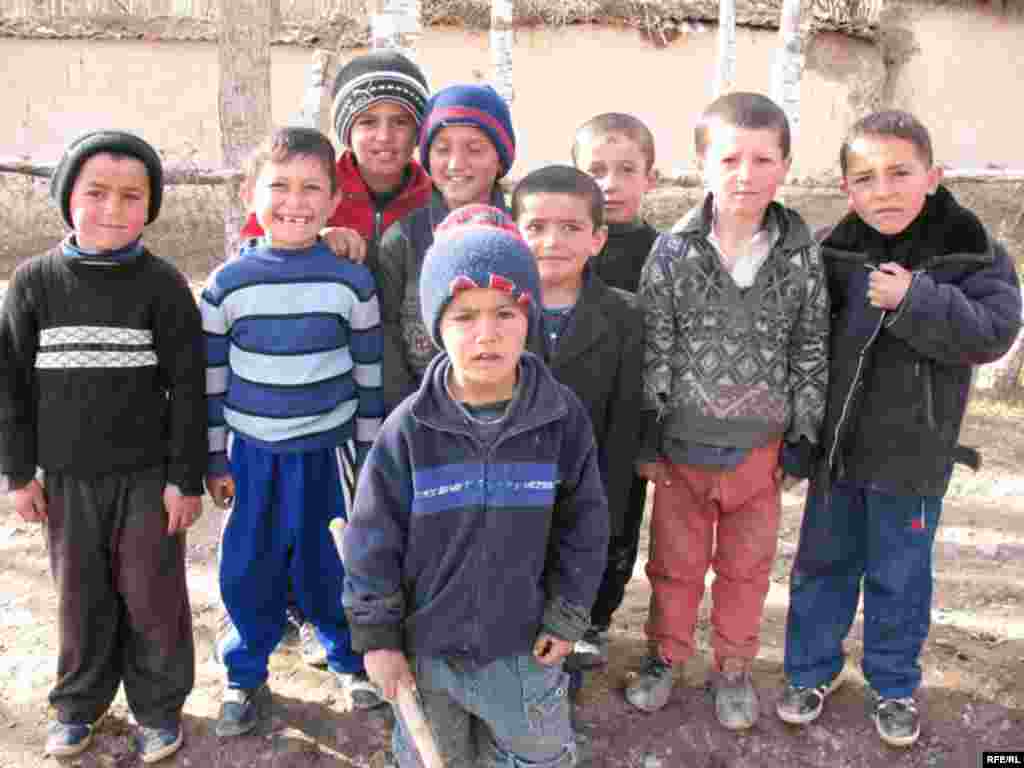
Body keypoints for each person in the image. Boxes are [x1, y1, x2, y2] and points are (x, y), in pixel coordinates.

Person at [777, 110, 1022, 748]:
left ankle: (893, 686)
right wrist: (798, 438)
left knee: (900, 576)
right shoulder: (830, 250)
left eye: (899, 173)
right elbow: (800, 348)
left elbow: (993, 333)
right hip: (837, 455)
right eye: (865, 178)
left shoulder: (973, 251)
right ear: (845, 189)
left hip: (914, 459)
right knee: (821, 568)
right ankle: (809, 672)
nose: (882, 190)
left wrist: (916, 301)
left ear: (933, 177)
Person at [342, 205, 609, 768]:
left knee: (535, 757)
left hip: (522, 653)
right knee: (430, 756)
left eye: (505, 312)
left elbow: (584, 528)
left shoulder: (561, 419)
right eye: (464, 316)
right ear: (435, 324)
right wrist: (380, 642)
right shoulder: (408, 432)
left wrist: (567, 616)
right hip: (426, 655)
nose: (487, 334)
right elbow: (371, 547)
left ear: (529, 317)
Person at [0, 130, 206, 763]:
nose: (113, 209)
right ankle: (78, 704)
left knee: (152, 595)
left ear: (151, 205)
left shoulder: (164, 286)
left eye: (131, 196)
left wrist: (185, 478)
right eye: (96, 193)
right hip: (65, 480)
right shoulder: (33, 283)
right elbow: (10, 387)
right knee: (80, 595)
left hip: (147, 478)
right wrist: (18, 474)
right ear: (67, 199)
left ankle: (158, 706)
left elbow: (188, 388)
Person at [627, 92, 829, 731]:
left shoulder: (801, 254)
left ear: (785, 166)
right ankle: (665, 657)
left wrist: (802, 435)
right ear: (702, 165)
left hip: (759, 455)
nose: (746, 174)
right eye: (730, 158)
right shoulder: (672, 252)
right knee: (675, 566)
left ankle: (734, 668)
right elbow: (656, 345)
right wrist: (650, 435)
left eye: (763, 159)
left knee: (745, 572)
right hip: (684, 449)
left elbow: (810, 348)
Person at [201, 127, 385, 736]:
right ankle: (244, 673)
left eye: (312, 188)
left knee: (328, 562)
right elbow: (213, 378)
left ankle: (347, 659)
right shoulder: (228, 284)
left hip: (327, 453)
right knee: (248, 565)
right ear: (252, 196)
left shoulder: (350, 280)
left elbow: (368, 372)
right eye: (278, 186)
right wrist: (215, 457)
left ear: (334, 202)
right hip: (254, 454)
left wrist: (367, 451)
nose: (294, 201)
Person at [512, 165, 644, 680]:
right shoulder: (500, 312)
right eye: (537, 227)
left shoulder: (624, 315)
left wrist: (610, 500)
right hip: (514, 476)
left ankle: (582, 630)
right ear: (515, 232)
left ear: (598, 238)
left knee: (583, 553)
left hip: (589, 477)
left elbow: (627, 415)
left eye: (570, 228)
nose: (552, 242)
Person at [568, 113, 660, 668]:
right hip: (564, 410)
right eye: (596, 169)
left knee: (618, 519)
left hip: (626, 419)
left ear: (652, 176)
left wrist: (652, 435)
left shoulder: (664, 253)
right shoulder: (562, 241)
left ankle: (597, 619)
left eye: (627, 169)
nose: (611, 182)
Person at [374, 83, 516, 408]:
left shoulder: (523, 233)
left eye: (475, 149)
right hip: (423, 414)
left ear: (501, 158)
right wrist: (412, 414)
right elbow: (388, 335)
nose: (456, 163)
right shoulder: (403, 239)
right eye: (442, 149)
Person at [240, 50, 432, 264]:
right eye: (368, 122)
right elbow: (253, 250)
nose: (384, 136)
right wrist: (314, 239)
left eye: (400, 122)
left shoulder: (432, 198)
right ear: (347, 132)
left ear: (418, 132)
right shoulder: (314, 186)